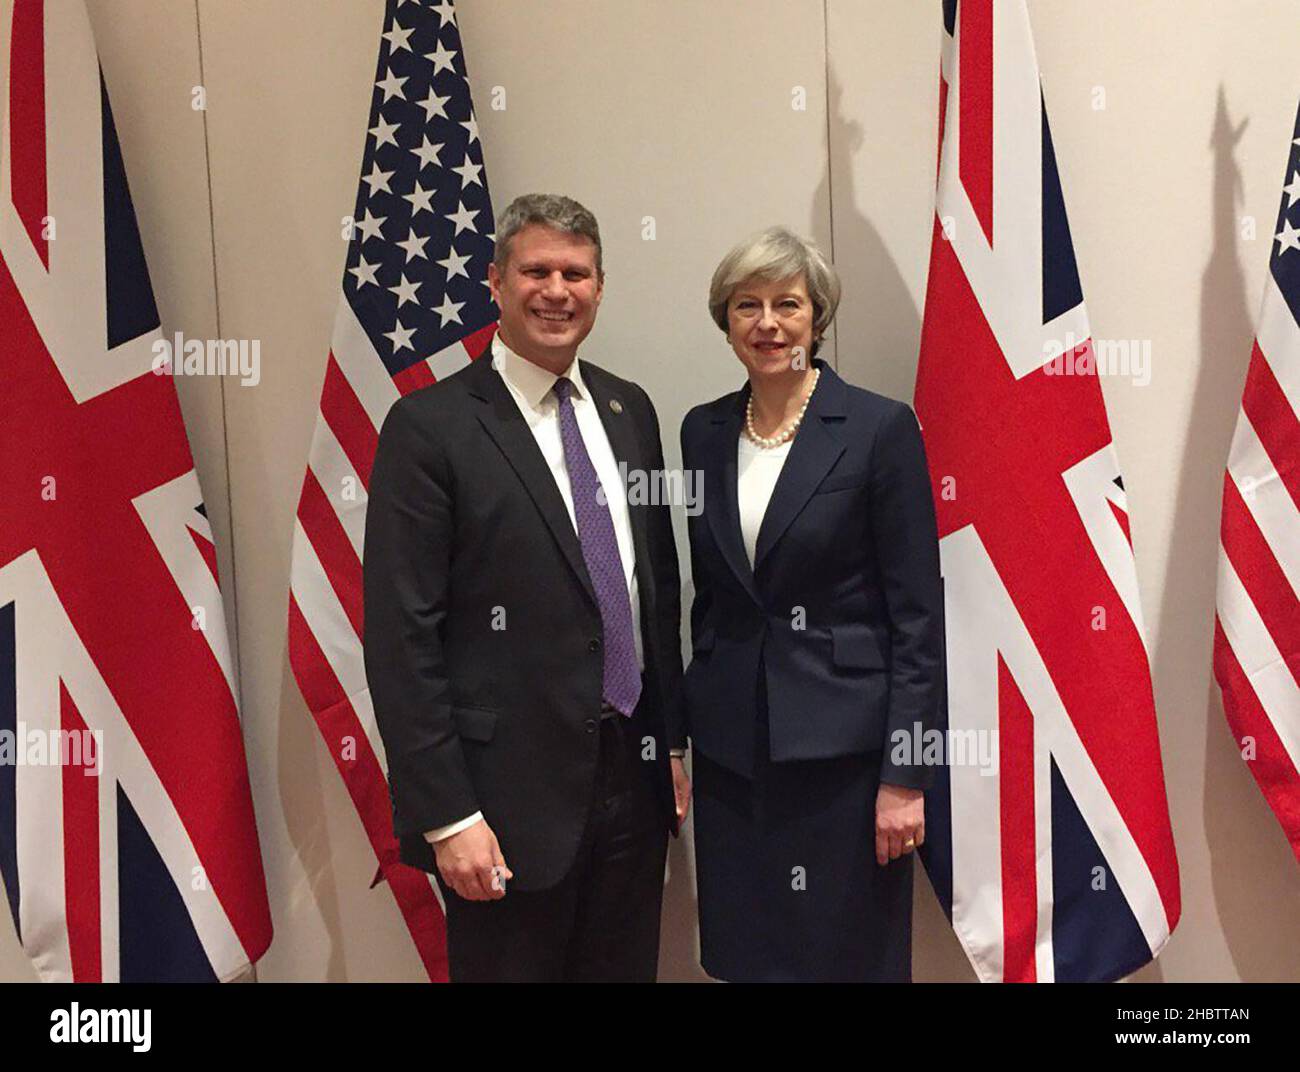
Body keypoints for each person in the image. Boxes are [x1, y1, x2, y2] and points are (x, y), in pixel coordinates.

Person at [363, 193, 690, 982]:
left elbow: (656, 588)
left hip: (632, 781)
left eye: (575, 273)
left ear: (600, 288)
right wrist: (447, 816)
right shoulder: (429, 427)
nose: (556, 290)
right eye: (536, 270)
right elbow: (403, 639)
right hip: (503, 806)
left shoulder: (629, 409)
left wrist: (671, 739)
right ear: (496, 283)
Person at [679, 225, 944, 982]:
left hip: (848, 761)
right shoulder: (703, 431)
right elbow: (710, 599)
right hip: (734, 756)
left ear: (816, 317)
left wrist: (908, 774)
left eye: (786, 304)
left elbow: (918, 619)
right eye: (746, 305)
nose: (767, 324)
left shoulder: (877, 427)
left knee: (844, 955)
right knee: (747, 953)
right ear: (725, 321)